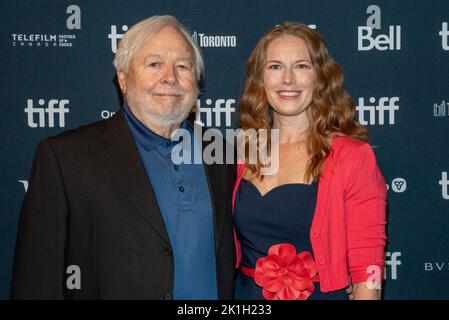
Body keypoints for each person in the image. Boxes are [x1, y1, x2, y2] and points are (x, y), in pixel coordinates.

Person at [11, 15, 235, 300]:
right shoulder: (64, 158)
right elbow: (37, 279)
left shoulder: (223, 154)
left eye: (183, 66)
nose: (170, 77)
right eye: (154, 64)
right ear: (124, 79)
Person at [232, 22, 387, 300]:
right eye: (275, 67)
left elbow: (368, 270)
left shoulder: (351, 156)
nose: (288, 79)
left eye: (301, 66)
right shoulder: (241, 151)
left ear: (320, 77)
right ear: (260, 79)